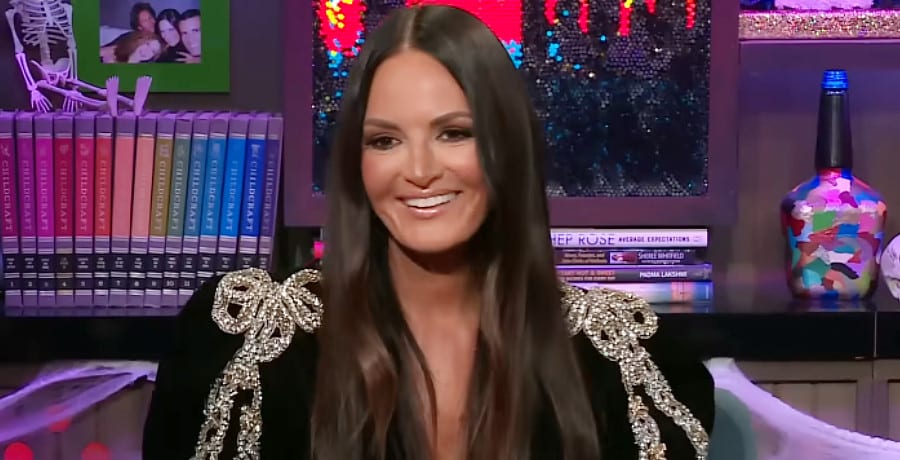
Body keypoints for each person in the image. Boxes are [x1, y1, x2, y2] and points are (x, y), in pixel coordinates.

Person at [141, 5, 714, 460]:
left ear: (506, 150)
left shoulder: (624, 363)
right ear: (355, 164)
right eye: (384, 141)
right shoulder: (249, 349)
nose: (418, 170)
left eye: (454, 133)